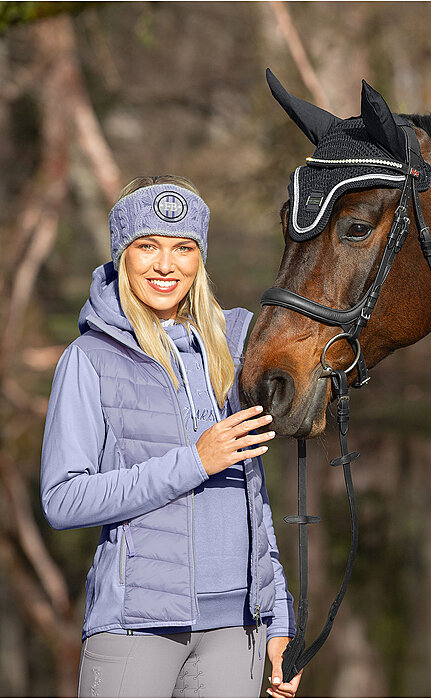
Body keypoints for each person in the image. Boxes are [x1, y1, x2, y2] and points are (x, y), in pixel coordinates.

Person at [40, 175, 302, 698]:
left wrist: (278, 620)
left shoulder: (234, 347)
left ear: (199, 258)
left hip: (238, 633)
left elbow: (253, 497)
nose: (166, 265)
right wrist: (194, 462)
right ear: (121, 256)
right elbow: (62, 500)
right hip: (136, 628)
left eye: (183, 248)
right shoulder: (88, 360)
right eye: (148, 247)